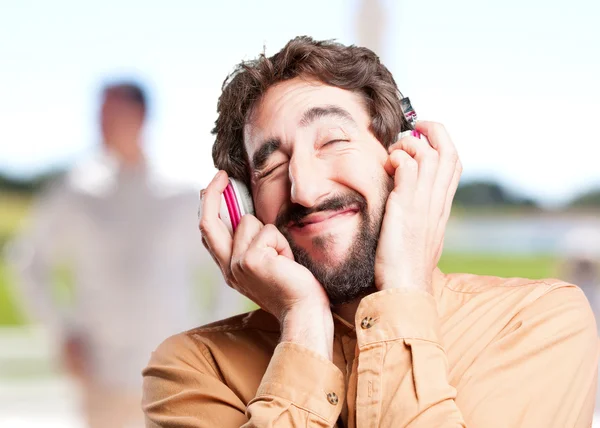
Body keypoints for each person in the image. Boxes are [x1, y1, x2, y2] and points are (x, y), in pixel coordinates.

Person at [142, 37, 599, 427]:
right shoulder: (193, 368)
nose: (304, 188)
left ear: (405, 154)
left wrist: (403, 285)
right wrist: (303, 322)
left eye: (333, 140)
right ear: (241, 207)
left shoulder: (539, 321)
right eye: (272, 164)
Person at [8, 82, 246, 428]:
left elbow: (228, 270)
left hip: (177, 377)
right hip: (102, 376)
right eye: (99, 113)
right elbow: (27, 263)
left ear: (141, 115)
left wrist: (213, 344)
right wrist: (61, 333)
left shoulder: (182, 194)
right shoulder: (75, 192)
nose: (100, 122)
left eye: (111, 111)